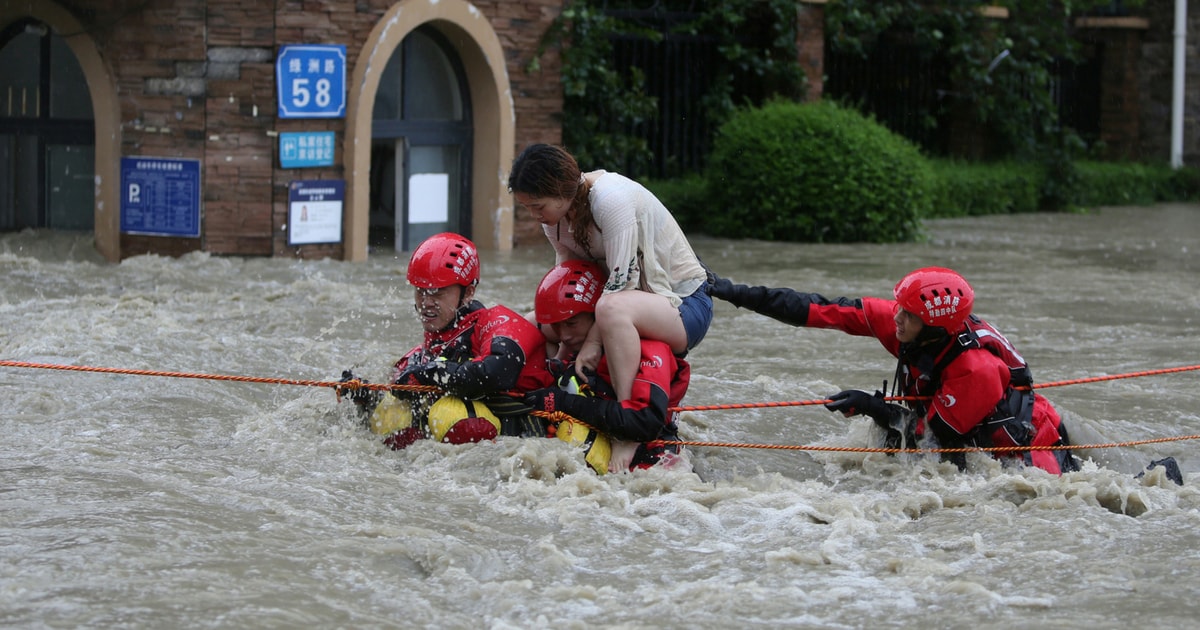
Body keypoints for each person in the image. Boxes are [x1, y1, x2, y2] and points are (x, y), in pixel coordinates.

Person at [707, 266, 1080, 475]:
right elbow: (819, 310)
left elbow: (935, 443)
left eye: (908, 315)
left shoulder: (975, 370)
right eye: (898, 308)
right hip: (956, 417)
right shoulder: (912, 323)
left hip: (1029, 451)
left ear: (933, 327)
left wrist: (873, 407)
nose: (895, 318)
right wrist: (734, 293)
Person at [507, 143, 713, 407]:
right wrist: (562, 348)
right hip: (623, 304)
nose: (534, 216)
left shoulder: (610, 200)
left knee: (611, 308)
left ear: (559, 190)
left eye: (538, 206)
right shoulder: (554, 219)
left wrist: (592, 344)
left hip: (685, 305)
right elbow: (568, 286)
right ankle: (515, 391)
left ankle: (627, 419)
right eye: (527, 208)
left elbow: (621, 286)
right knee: (537, 320)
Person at [339, 232, 554, 449]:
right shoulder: (429, 347)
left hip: (522, 434)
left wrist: (432, 373)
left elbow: (498, 372)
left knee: (455, 415)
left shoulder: (498, 323)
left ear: (468, 292)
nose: (425, 303)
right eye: (420, 292)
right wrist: (365, 396)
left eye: (437, 293)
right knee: (390, 411)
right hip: (448, 454)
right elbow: (400, 383)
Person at [522, 260, 689, 474]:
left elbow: (643, 422)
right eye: (557, 325)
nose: (564, 335)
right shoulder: (573, 342)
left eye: (571, 324)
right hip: (597, 429)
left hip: (647, 444)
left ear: (596, 317)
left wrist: (561, 402)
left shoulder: (649, 349)